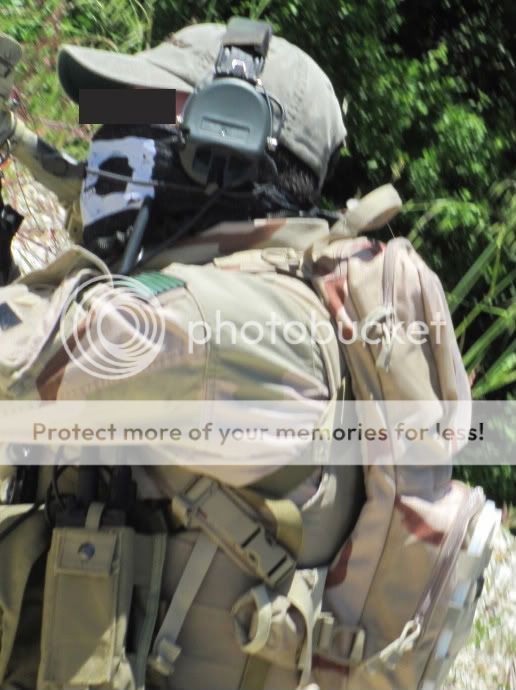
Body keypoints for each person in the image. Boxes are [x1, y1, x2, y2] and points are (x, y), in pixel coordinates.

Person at [0, 18, 498, 690]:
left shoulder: (223, 325)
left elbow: (21, 364)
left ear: (220, 151)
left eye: (130, 123)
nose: (101, 151)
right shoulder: (273, 301)